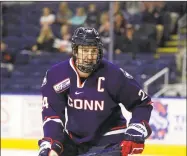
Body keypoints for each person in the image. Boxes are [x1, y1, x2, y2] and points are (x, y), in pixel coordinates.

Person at [38, 27, 153, 156]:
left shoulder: (113, 74)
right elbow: (53, 116)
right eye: (85, 50)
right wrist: (52, 144)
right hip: (75, 141)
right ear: (75, 51)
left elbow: (142, 103)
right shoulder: (56, 75)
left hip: (110, 142)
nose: (89, 56)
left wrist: (137, 127)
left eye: (93, 50)